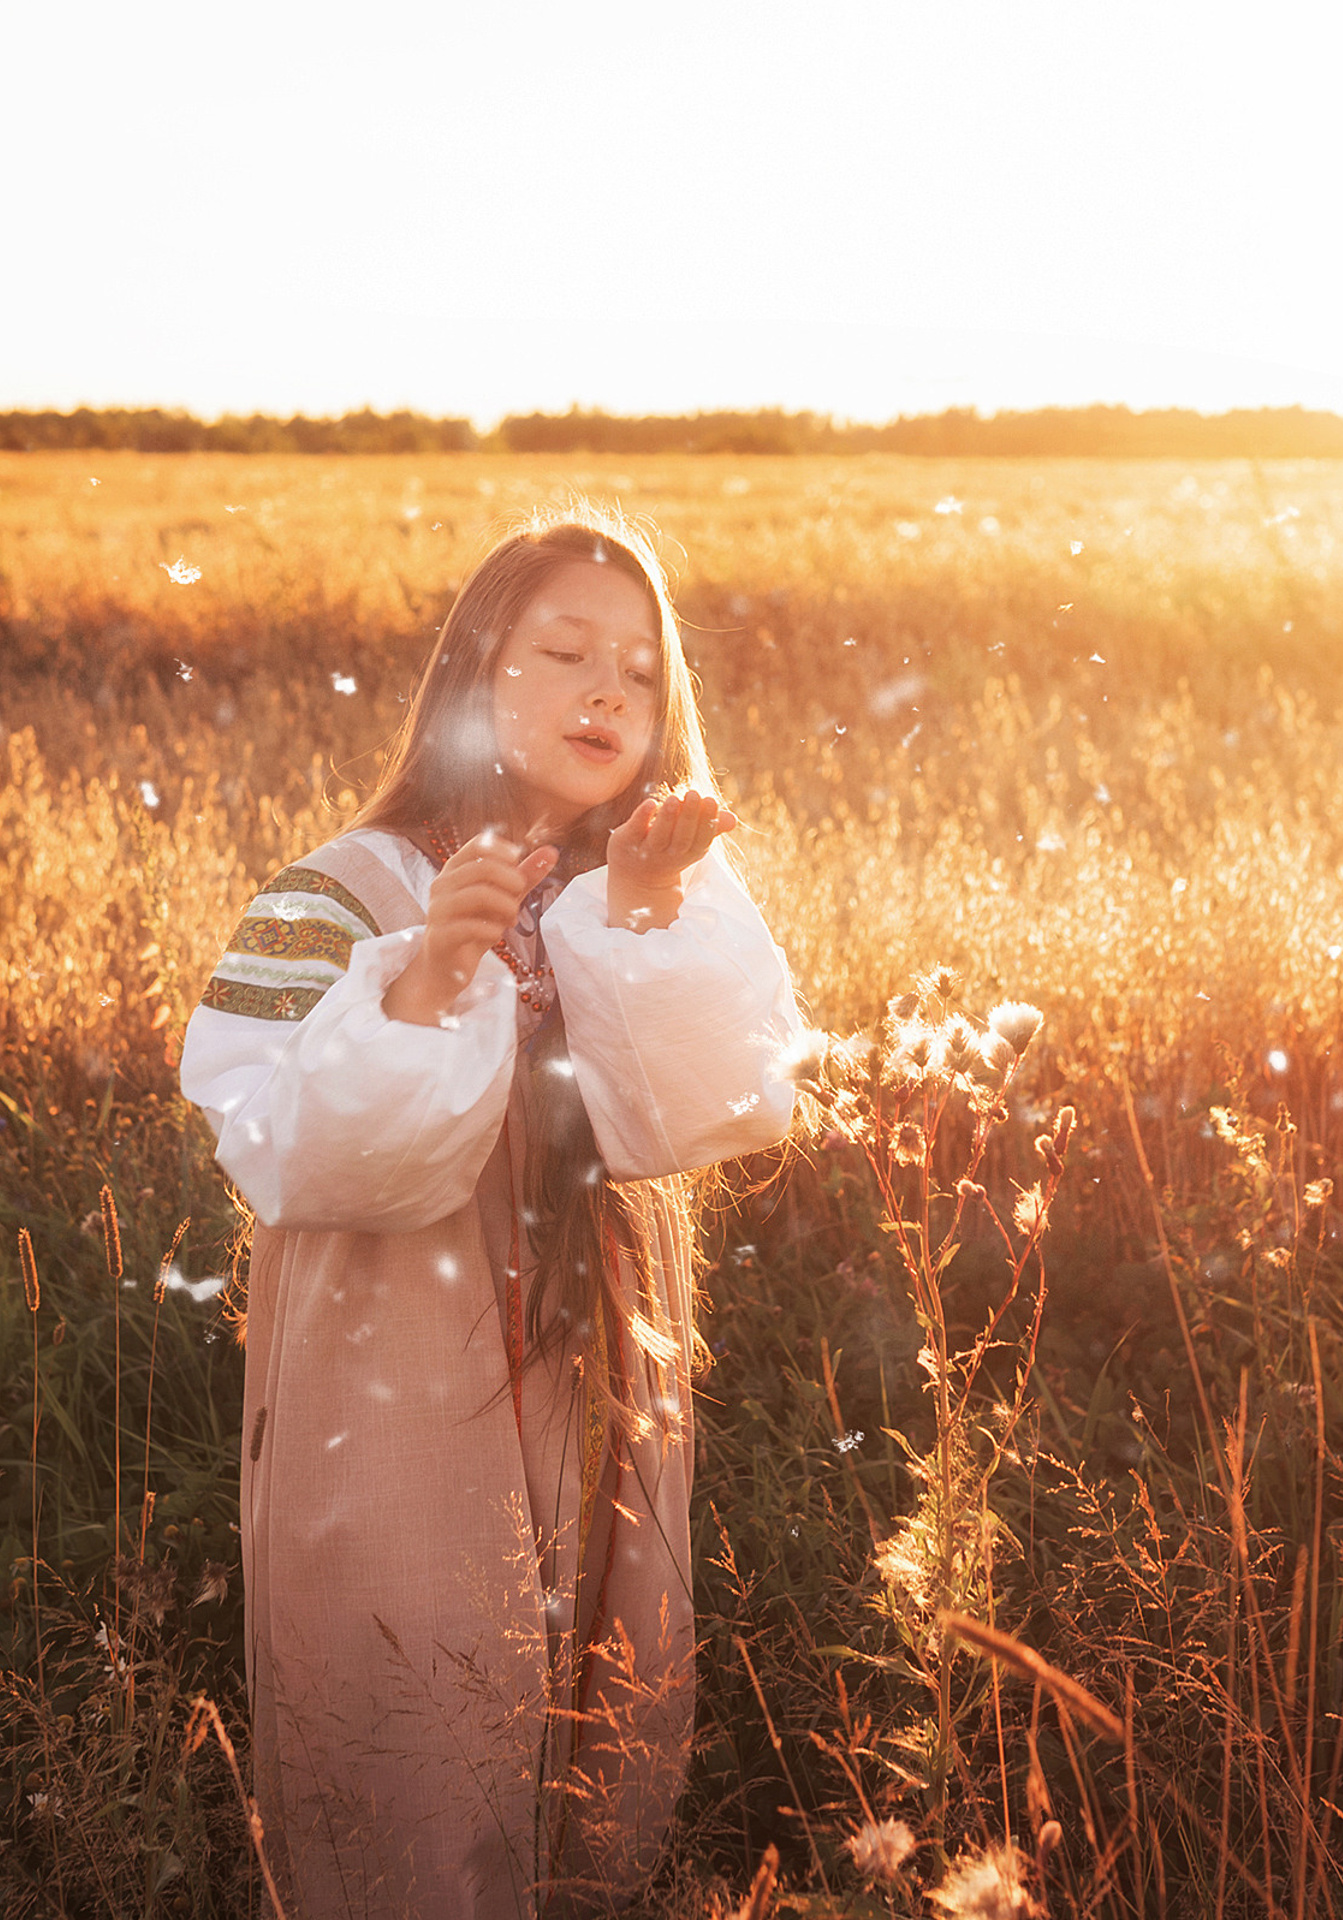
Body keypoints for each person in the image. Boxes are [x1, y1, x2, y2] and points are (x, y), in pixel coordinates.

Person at [180, 503, 799, 1917]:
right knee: (418, 1677)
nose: (609, 692)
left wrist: (642, 912)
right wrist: (421, 984)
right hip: (395, 1351)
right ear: (475, 672)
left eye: (642, 672)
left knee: (597, 1659)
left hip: (591, 1328)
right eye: (566, 651)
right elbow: (275, 1140)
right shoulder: (344, 886)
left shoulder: (635, 877)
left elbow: (717, 1105)